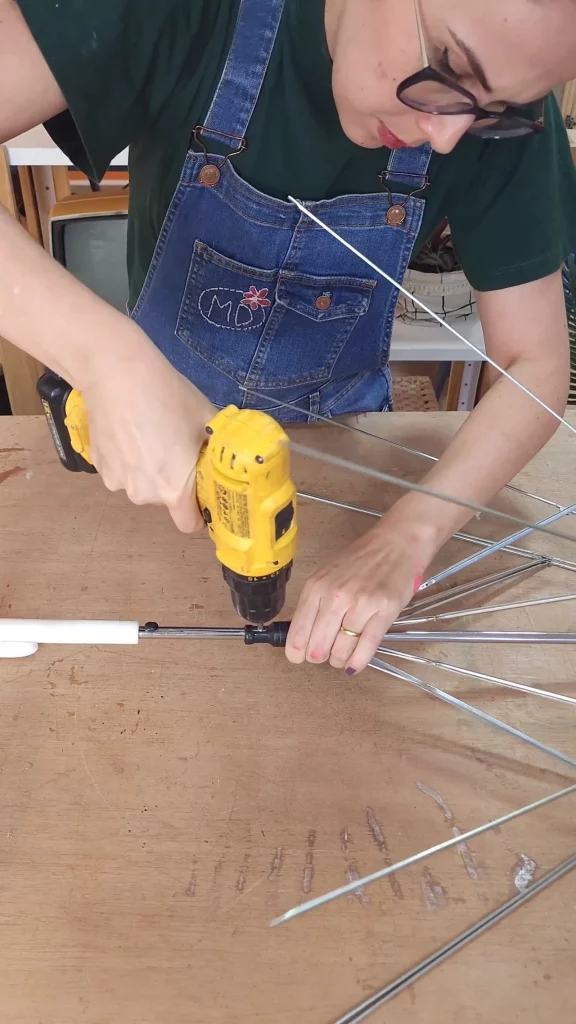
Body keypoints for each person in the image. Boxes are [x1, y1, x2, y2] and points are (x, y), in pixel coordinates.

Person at [1, 0, 576, 674]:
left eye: (494, 111)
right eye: (448, 67)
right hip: (144, 469)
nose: (447, 136)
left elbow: (534, 361)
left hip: (346, 468)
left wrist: (409, 536)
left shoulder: (494, 103)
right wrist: (106, 361)